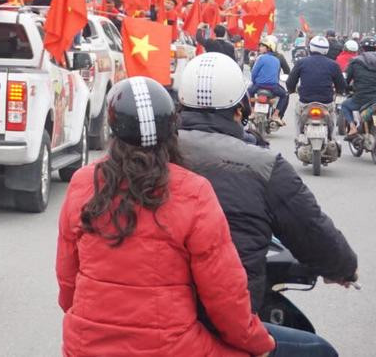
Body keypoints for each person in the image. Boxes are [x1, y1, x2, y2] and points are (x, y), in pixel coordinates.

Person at [56, 76, 275, 357]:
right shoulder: (194, 191)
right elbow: (225, 297)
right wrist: (258, 343)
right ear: (173, 129)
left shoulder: (83, 182)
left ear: (113, 130)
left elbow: (67, 285)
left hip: (83, 346)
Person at [177, 52, 357, 356]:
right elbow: (312, 230)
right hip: (219, 326)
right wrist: (343, 267)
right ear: (240, 109)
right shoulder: (262, 164)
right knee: (321, 352)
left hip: (148, 318)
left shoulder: (145, 157)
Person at [287, 35, 347, 114]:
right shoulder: (333, 65)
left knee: (298, 113)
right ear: (326, 49)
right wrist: (339, 91)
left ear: (310, 47)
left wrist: (291, 90)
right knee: (332, 116)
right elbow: (341, 85)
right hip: (326, 102)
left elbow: (290, 82)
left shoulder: (301, 62)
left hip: (305, 101)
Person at [249, 36, 291, 124]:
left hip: (259, 85)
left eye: (262, 46)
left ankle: (252, 112)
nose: (260, 48)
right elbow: (281, 73)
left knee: (248, 93)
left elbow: (254, 72)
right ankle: (276, 115)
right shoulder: (277, 59)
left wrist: (254, 82)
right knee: (284, 95)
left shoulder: (260, 58)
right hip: (273, 86)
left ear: (268, 48)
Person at [341, 36, 376, 138]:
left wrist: (346, 88)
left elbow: (346, 81)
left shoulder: (355, 61)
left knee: (345, 105)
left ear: (361, 48)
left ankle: (353, 128)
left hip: (361, 98)